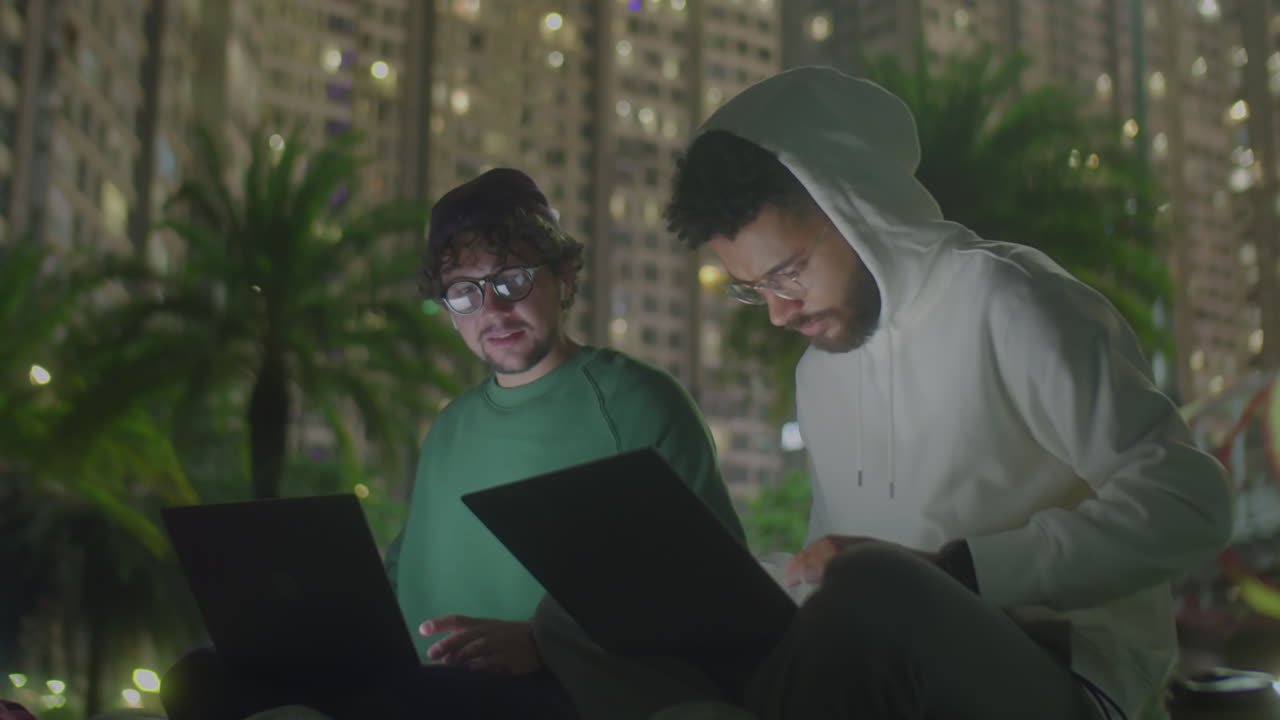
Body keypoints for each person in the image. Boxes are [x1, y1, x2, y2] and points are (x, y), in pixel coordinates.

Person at [533, 67, 1234, 720]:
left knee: (873, 586)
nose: (781, 311)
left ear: (859, 209)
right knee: (575, 614)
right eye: (756, 292)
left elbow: (1188, 501)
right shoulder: (822, 372)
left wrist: (959, 571)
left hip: (1063, 675)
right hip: (877, 652)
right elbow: (835, 577)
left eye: (790, 272)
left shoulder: (1007, 299)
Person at [160, 168, 744, 720]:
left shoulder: (638, 403)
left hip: (562, 689)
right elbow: (400, 577)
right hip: (419, 679)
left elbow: (711, 597)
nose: (492, 308)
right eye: (463, 293)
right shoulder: (449, 428)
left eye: (511, 278)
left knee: (402, 700)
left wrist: (545, 643)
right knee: (200, 675)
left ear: (564, 276)